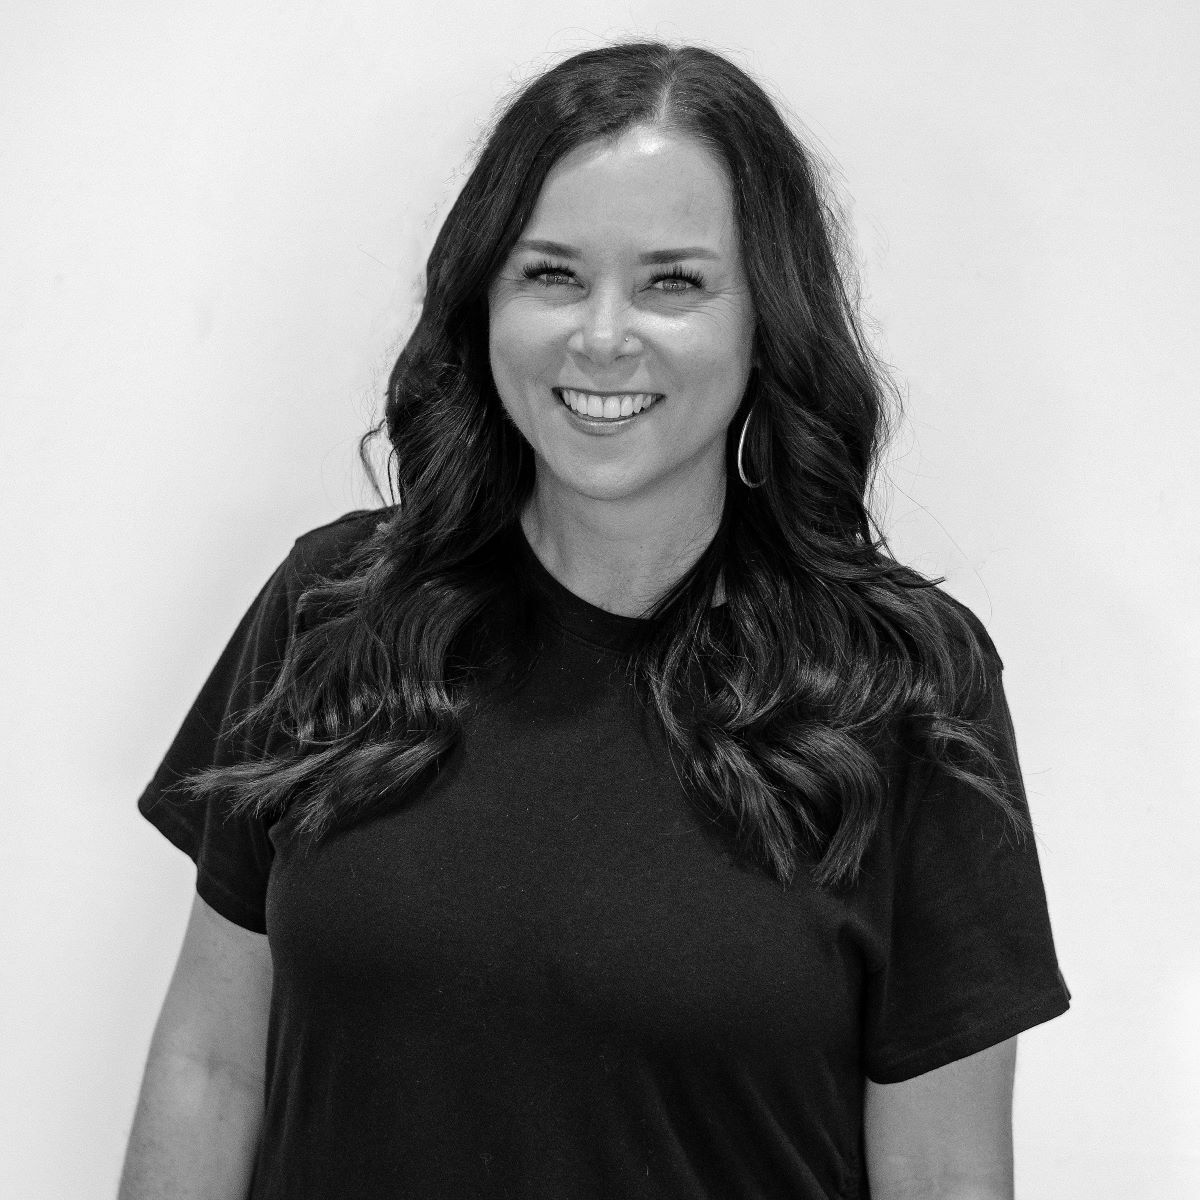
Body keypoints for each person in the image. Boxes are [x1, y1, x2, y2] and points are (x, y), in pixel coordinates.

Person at [119, 40, 1070, 1200]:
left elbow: (941, 1171)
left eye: (673, 281)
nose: (603, 336)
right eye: (553, 274)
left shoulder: (904, 687)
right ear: (484, 303)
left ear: (767, 318)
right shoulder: (330, 610)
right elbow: (211, 1066)